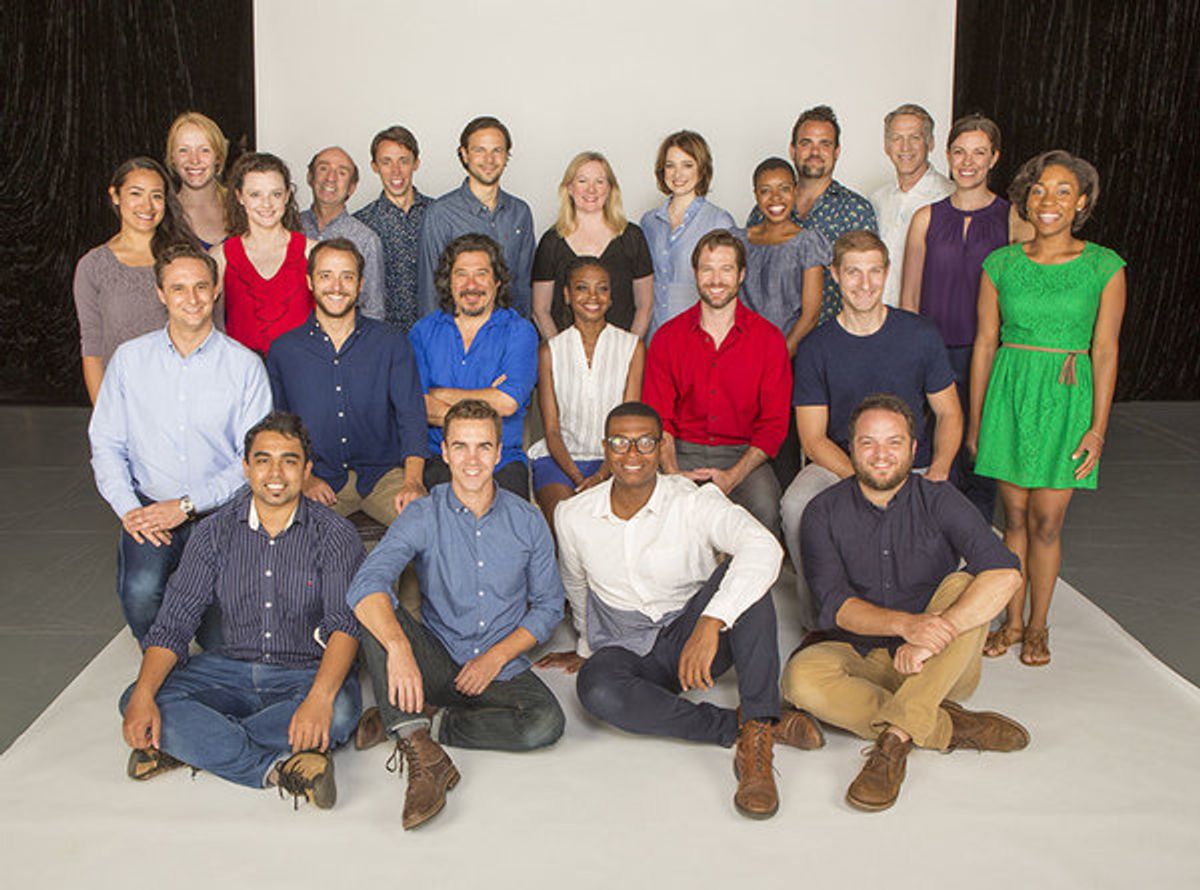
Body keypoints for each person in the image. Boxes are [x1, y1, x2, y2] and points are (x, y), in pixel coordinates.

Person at [545, 402, 824, 820]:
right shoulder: (573, 515)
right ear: (606, 448)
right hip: (627, 650)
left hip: (693, 639)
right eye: (620, 442)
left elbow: (764, 546)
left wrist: (712, 620)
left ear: (661, 447)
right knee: (596, 687)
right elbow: (577, 584)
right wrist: (586, 645)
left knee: (748, 579)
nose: (632, 454)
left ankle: (757, 741)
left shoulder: (694, 502)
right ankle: (745, 725)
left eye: (644, 442)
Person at [782, 394, 1027, 812]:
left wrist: (931, 637)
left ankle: (893, 744)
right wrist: (906, 627)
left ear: (914, 449)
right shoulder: (823, 511)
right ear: (851, 447)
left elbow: (1007, 574)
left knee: (963, 584)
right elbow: (836, 606)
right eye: (868, 443)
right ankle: (943, 725)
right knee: (799, 680)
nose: (880, 455)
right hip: (865, 652)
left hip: (941, 662)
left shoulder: (939, 498)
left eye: (894, 443)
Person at [119, 412, 364, 810]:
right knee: (137, 697)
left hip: (304, 672)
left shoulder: (335, 535)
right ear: (246, 467)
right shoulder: (213, 533)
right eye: (263, 459)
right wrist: (145, 694)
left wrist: (318, 698)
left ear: (306, 470)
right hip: (228, 668)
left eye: (289, 460)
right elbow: (173, 624)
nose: (276, 473)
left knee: (339, 711)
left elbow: (344, 626)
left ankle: (190, 745)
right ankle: (274, 767)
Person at [347, 399, 565, 830]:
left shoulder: (527, 520)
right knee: (374, 608)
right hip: (438, 657)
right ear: (444, 452)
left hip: (499, 667)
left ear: (500, 453)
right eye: (460, 447)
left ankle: (426, 720)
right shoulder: (424, 514)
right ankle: (423, 756)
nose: (472, 460)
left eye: (483, 447)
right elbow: (366, 583)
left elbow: (548, 606)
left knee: (545, 723)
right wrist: (399, 648)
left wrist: (496, 657)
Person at [968, 150, 1126, 667]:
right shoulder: (1001, 264)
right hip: (1010, 395)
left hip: (1066, 398)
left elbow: (1104, 351)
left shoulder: (1104, 266)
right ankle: (1010, 623)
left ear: (1081, 201)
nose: (1049, 200)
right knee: (1011, 516)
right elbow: (985, 344)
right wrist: (976, 421)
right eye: (1039, 190)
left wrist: (1097, 429)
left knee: (1047, 521)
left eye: (1062, 191)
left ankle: (1038, 625)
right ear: (1026, 200)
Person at [89, 244, 272, 644]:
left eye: (201, 287)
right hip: (149, 507)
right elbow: (105, 443)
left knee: (222, 637)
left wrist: (188, 506)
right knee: (139, 594)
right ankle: (165, 671)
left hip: (221, 514)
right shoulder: (129, 360)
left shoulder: (245, 366)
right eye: (179, 288)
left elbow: (252, 459)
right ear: (160, 293)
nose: (192, 299)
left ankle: (207, 672)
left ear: (216, 289)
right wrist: (130, 511)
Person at [781, 231, 961, 629]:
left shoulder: (920, 335)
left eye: (873, 272)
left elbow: (948, 413)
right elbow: (813, 438)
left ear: (887, 273)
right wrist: (861, 482)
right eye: (853, 273)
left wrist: (940, 470)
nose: (864, 284)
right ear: (834, 275)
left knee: (948, 521)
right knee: (795, 505)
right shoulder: (816, 347)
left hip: (909, 463)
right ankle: (820, 622)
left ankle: (925, 622)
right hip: (842, 461)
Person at [900, 115, 1030, 523]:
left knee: (981, 452)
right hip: (932, 353)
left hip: (988, 355)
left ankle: (972, 548)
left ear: (994, 158)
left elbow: (1023, 301)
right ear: (947, 155)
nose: (968, 161)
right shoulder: (926, 218)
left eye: (978, 152)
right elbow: (910, 297)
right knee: (937, 451)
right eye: (959, 151)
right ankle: (933, 543)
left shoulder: (1013, 221)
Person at [266, 238, 428, 527]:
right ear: (310, 281)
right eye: (326, 276)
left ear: (361, 283)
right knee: (289, 535)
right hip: (318, 476)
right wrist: (305, 478)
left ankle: (395, 575)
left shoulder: (391, 343)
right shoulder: (284, 351)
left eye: (347, 277)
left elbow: (411, 416)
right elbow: (280, 429)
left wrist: (413, 482)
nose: (337, 287)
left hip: (384, 476)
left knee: (427, 528)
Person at [643, 230, 791, 537]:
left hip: (743, 455)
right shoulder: (668, 338)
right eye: (707, 269)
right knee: (663, 511)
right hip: (682, 451)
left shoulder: (768, 339)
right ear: (695, 273)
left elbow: (774, 424)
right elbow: (659, 419)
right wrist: (673, 474)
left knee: (764, 506)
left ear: (741, 275)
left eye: (726, 269)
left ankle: (750, 587)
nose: (716, 279)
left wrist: (733, 476)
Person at [409, 234, 538, 499]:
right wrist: (485, 403)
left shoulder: (520, 331)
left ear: (497, 281)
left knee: (509, 535)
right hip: (440, 459)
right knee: (443, 534)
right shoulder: (422, 332)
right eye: (461, 274)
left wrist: (438, 393)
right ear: (449, 282)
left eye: (481, 274)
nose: (471, 285)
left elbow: (508, 402)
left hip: (501, 461)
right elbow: (416, 405)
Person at [528, 257, 644, 530]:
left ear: (611, 297)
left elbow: (629, 427)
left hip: (617, 458)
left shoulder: (632, 347)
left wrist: (603, 474)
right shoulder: (550, 351)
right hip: (559, 460)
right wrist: (578, 476)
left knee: (612, 530)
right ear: (567, 295)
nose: (593, 296)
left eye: (602, 288)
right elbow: (552, 430)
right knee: (565, 523)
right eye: (582, 288)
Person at [74, 157, 199, 403]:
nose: (147, 205)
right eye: (136, 193)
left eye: (156, 196)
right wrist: (104, 417)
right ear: (115, 195)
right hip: (125, 399)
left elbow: (214, 333)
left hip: (187, 397)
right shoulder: (93, 266)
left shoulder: (190, 259)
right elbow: (92, 347)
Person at [747, 105, 877, 323]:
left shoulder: (856, 210)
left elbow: (868, 281)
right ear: (793, 150)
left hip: (832, 341)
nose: (815, 152)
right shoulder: (763, 211)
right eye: (806, 143)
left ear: (837, 152)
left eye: (824, 144)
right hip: (771, 342)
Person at [417, 116, 535, 318]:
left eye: (497, 150)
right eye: (479, 150)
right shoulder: (441, 213)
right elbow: (430, 292)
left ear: (507, 156)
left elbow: (523, 287)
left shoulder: (520, 212)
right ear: (464, 154)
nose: (489, 159)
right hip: (458, 336)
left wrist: (523, 337)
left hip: (508, 334)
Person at [532, 151, 654, 339]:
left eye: (599, 181)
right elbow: (541, 311)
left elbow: (645, 306)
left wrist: (629, 353)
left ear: (611, 188)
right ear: (570, 188)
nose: (591, 189)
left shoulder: (632, 237)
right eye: (582, 181)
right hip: (565, 357)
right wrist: (559, 355)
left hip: (621, 355)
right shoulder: (551, 242)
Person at [212, 152, 315, 355]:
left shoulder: (311, 252)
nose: (266, 204)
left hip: (302, 372)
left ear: (287, 196)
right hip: (241, 376)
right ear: (240, 197)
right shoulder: (220, 256)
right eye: (255, 194)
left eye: (275, 194)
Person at [641, 130, 735, 335]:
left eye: (687, 165)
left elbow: (730, 287)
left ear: (701, 169)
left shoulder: (719, 221)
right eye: (670, 165)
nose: (677, 174)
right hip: (655, 335)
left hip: (700, 336)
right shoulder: (649, 223)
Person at [736, 158, 830, 355]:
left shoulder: (807, 242)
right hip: (742, 352)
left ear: (795, 190)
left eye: (784, 188)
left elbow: (810, 315)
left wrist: (779, 357)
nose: (775, 198)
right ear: (755, 195)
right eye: (765, 190)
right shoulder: (738, 241)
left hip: (787, 355)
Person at [868, 103, 954, 308]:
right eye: (897, 138)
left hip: (930, 318)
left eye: (914, 137)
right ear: (886, 146)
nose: (905, 147)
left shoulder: (950, 197)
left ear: (930, 143)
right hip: (880, 318)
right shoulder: (877, 200)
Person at [354, 125, 432, 331]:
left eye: (403, 161)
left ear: (416, 163)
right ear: (374, 166)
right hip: (382, 337)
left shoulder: (438, 214)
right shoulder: (361, 223)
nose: (396, 171)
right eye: (386, 162)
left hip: (433, 333)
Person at [299, 146, 386, 321]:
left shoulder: (366, 240)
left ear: (352, 187)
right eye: (323, 168)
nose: (330, 178)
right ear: (310, 177)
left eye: (342, 172)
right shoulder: (288, 228)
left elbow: (373, 310)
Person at [165, 111, 230, 250]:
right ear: (172, 158)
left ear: (218, 156)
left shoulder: (243, 206)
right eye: (183, 150)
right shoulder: (164, 214)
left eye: (204, 150)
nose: (194, 160)